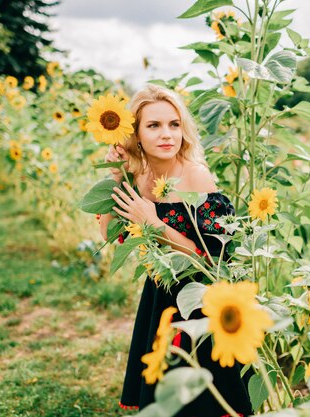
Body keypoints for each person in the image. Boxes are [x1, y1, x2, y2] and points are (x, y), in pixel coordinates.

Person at [98, 84, 253, 416]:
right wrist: (116, 175)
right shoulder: (140, 178)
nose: (167, 134)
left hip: (201, 302)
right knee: (169, 399)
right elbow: (108, 233)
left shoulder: (196, 176)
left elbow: (213, 260)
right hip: (160, 298)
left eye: (174, 124)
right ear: (136, 134)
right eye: (153, 125)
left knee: (207, 398)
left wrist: (154, 224)